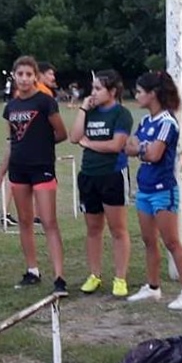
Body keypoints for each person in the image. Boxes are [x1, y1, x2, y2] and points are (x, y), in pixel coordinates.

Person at [0, 56, 68, 295]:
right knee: (25, 222)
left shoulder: (45, 101)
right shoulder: (11, 106)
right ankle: (32, 270)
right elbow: (12, 142)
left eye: (28, 74)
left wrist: (41, 145)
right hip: (19, 169)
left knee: (48, 222)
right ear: (14, 75)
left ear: (35, 76)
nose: (24, 79)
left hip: (41, 167)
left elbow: (61, 133)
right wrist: (1, 173)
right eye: (20, 74)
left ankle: (59, 278)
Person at [123, 71, 182, 310]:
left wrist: (140, 150)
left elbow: (154, 154)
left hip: (163, 190)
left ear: (153, 94)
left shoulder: (167, 123)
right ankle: (153, 287)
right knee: (148, 240)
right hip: (144, 188)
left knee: (172, 241)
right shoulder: (146, 122)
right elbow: (128, 146)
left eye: (139, 92)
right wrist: (142, 149)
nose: (136, 96)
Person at [69, 70, 133, 298]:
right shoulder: (90, 111)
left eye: (98, 88)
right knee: (93, 229)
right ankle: (94, 275)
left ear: (112, 91)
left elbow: (116, 146)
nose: (93, 93)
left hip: (113, 175)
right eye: (92, 88)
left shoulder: (122, 114)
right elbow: (74, 137)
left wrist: (90, 143)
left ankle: (120, 278)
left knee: (118, 229)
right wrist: (83, 109)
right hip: (88, 175)